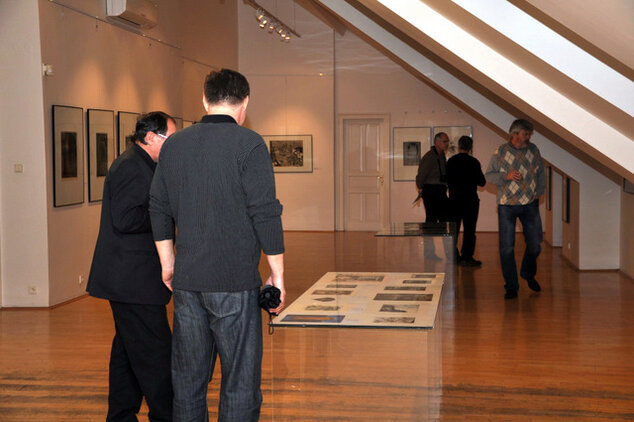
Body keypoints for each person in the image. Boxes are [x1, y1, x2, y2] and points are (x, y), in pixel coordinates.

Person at [149, 69, 286, 421]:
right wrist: (277, 276)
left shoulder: (174, 145)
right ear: (245, 103)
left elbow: (159, 208)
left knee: (189, 382)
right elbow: (265, 213)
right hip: (234, 283)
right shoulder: (250, 144)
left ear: (205, 101)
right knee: (239, 381)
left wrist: (168, 263)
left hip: (188, 283)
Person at [86, 111, 177, 421]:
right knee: (156, 354)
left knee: (127, 354)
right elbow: (125, 220)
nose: (174, 145)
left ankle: (121, 416)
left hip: (131, 281)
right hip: (133, 282)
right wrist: (168, 216)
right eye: (171, 139)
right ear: (150, 137)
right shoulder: (132, 167)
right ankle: (167, 416)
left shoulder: (142, 165)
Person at [485, 119, 545, 299]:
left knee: (535, 244)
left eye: (529, 135)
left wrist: (539, 192)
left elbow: (541, 173)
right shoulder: (500, 151)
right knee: (506, 248)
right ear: (515, 134)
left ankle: (527, 273)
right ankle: (511, 286)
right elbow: (489, 175)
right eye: (525, 134)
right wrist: (506, 176)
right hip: (507, 205)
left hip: (529, 204)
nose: (528, 137)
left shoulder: (533, 150)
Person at [446, 135, 486, 267]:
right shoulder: (474, 162)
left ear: (459, 147)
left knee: (454, 230)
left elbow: (445, 180)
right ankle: (467, 257)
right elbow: (482, 182)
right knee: (469, 230)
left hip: (454, 200)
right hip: (470, 201)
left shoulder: (451, 161)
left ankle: (453, 256)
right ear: (470, 148)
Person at [416, 132, 450, 259]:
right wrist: (420, 188)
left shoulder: (442, 156)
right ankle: (429, 253)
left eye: (447, 141)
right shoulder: (430, 157)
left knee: (444, 220)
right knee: (431, 221)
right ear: (437, 142)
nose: (447, 144)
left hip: (440, 191)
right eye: (444, 141)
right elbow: (421, 175)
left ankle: (448, 253)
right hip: (431, 190)